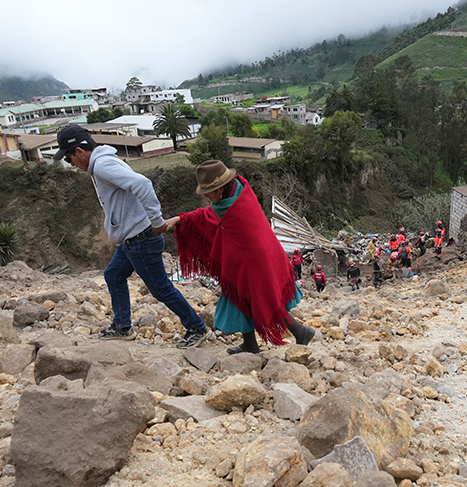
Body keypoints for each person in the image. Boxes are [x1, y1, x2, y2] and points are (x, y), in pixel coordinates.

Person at [53, 125, 209, 347]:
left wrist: (157, 222)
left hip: (141, 237)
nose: (71, 165)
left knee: (161, 289)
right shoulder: (102, 162)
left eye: (69, 159)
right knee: (113, 275)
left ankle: (197, 327)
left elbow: (143, 184)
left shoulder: (102, 165)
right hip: (132, 238)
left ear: (79, 151)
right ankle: (122, 327)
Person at [168, 160, 315, 355]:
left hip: (257, 260)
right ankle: (253, 344)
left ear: (220, 189)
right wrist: (180, 219)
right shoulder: (237, 192)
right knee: (242, 297)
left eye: (208, 192)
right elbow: (208, 215)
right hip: (257, 256)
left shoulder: (237, 206)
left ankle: (301, 331)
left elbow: (215, 219)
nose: (206, 197)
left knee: (261, 299)